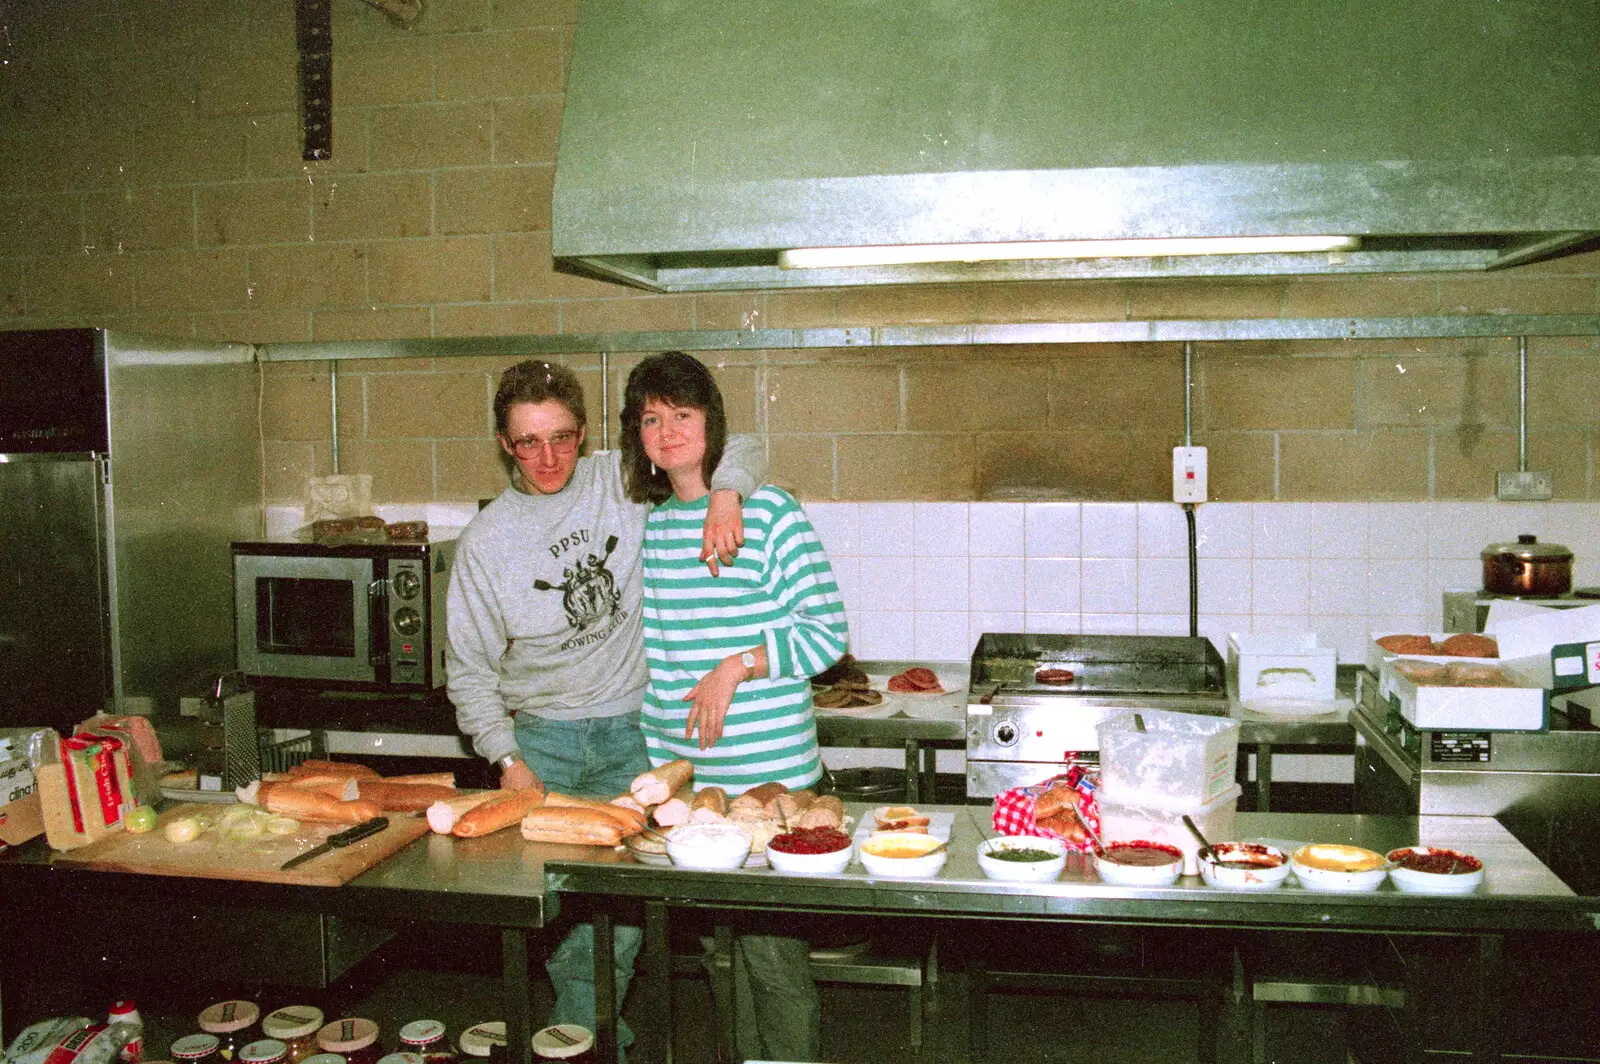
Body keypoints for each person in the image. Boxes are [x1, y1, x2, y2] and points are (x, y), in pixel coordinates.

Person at [445, 358, 766, 1057]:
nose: (548, 456)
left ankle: (589, 1046)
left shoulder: (619, 478)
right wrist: (508, 758)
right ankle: (593, 1046)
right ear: (505, 443)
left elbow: (734, 441)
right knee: (564, 928)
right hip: (543, 745)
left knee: (619, 923)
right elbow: (468, 672)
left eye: (561, 437)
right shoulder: (485, 543)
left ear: (585, 433)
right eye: (528, 442)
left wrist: (726, 496)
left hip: (633, 736)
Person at [621, 351, 849, 1062]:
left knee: (774, 962)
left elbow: (827, 634)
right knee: (721, 962)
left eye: (682, 414)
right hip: (688, 786)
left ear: (711, 424)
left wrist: (738, 666)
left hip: (770, 780)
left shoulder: (771, 512)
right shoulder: (652, 528)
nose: (667, 431)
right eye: (651, 418)